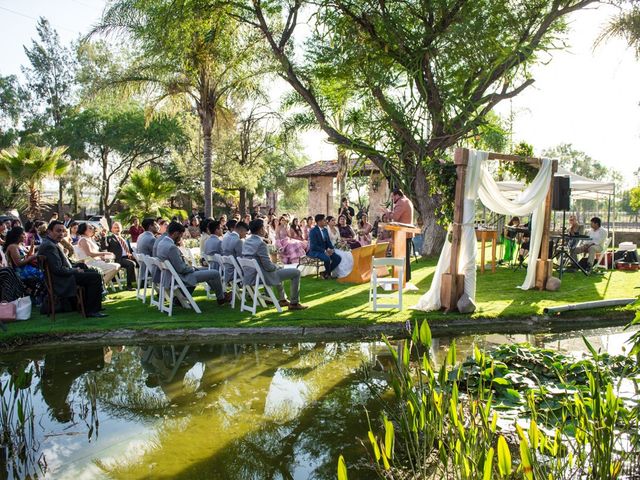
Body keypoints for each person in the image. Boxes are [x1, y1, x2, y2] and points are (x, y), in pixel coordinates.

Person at [39, 221, 106, 317]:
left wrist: (77, 267)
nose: (61, 234)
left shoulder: (51, 243)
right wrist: (75, 270)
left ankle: (91, 306)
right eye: (58, 231)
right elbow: (58, 269)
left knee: (89, 269)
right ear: (49, 232)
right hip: (61, 280)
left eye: (63, 231)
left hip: (63, 276)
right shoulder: (49, 246)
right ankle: (91, 310)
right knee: (95, 277)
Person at [156, 221, 230, 305]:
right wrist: (192, 268)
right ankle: (221, 298)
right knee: (215, 273)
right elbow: (181, 269)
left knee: (207, 270)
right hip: (181, 277)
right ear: (176, 233)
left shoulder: (161, 243)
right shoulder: (171, 247)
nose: (181, 238)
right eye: (181, 235)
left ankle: (219, 293)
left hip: (171, 276)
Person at [243, 219, 308, 310]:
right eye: (265, 227)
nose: (266, 229)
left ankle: (282, 299)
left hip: (251, 275)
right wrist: (277, 266)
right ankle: (294, 303)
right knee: (296, 272)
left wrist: (276, 267)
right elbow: (269, 267)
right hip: (262, 276)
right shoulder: (261, 244)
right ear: (261, 230)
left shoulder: (247, 241)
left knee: (278, 269)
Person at [3, 226, 45, 298]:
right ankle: (38, 296)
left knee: (44, 272)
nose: (25, 235)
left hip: (26, 269)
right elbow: (18, 263)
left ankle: (38, 295)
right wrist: (34, 256)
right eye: (23, 234)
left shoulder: (20, 245)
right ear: (17, 235)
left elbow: (28, 255)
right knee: (43, 275)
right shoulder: (13, 246)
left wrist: (32, 246)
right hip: (19, 272)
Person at [388, 188, 415, 280]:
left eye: (393, 196)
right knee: (405, 257)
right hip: (406, 234)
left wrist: (387, 213)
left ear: (397, 195)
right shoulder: (407, 201)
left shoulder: (401, 202)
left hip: (402, 235)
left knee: (401, 257)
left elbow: (395, 216)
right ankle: (405, 278)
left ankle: (402, 278)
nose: (392, 199)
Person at [307, 214, 342, 279]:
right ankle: (328, 275)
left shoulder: (325, 230)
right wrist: (324, 251)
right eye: (324, 220)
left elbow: (328, 242)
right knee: (327, 258)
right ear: (319, 222)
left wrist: (332, 249)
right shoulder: (313, 231)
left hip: (325, 251)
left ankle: (325, 273)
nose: (326, 221)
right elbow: (313, 246)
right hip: (315, 251)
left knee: (338, 258)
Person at [106, 222, 137, 290]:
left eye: (118, 228)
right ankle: (129, 285)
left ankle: (142, 283)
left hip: (128, 257)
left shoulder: (124, 238)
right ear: (112, 229)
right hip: (118, 258)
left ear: (121, 229)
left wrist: (132, 254)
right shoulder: (109, 238)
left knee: (141, 261)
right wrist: (103, 237)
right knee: (131, 264)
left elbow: (129, 249)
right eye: (115, 228)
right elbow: (104, 246)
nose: (117, 229)